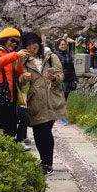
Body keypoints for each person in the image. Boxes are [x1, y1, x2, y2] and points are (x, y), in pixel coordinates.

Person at [22, 32, 67, 175]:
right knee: (38, 132)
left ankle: (48, 164)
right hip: (35, 101)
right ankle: (44, 162)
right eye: (28, 45)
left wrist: (54, 78)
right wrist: (24, 78)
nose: (32, 47)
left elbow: (61, 75)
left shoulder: (50, 57)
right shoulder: (24, 60)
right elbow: (20, 82)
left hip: (52, 99)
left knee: (46, 131)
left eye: (34, 43)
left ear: (39, 43)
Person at [0, 27, 29, 139]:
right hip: (0, 96)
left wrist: (20, 62)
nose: (14, 44)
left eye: (16, 42)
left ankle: (16, 142)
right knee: (3, 126)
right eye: (12, 40)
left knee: (13, 125)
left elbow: (17, 72)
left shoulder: (11, 54)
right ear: (4, 40)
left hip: (10, 96)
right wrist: (16, 55)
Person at [53, 36, 77, 126]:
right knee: (61, 98)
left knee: (65, 98)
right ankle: (60, 117)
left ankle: (61, 117)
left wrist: (74, 79)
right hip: (60, 78)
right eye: (62, 45)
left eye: (65, 44)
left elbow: (72, 67)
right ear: (58, 46)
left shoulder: (68, 54)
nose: (63, 46)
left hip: (69, 78)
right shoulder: (56, 55)